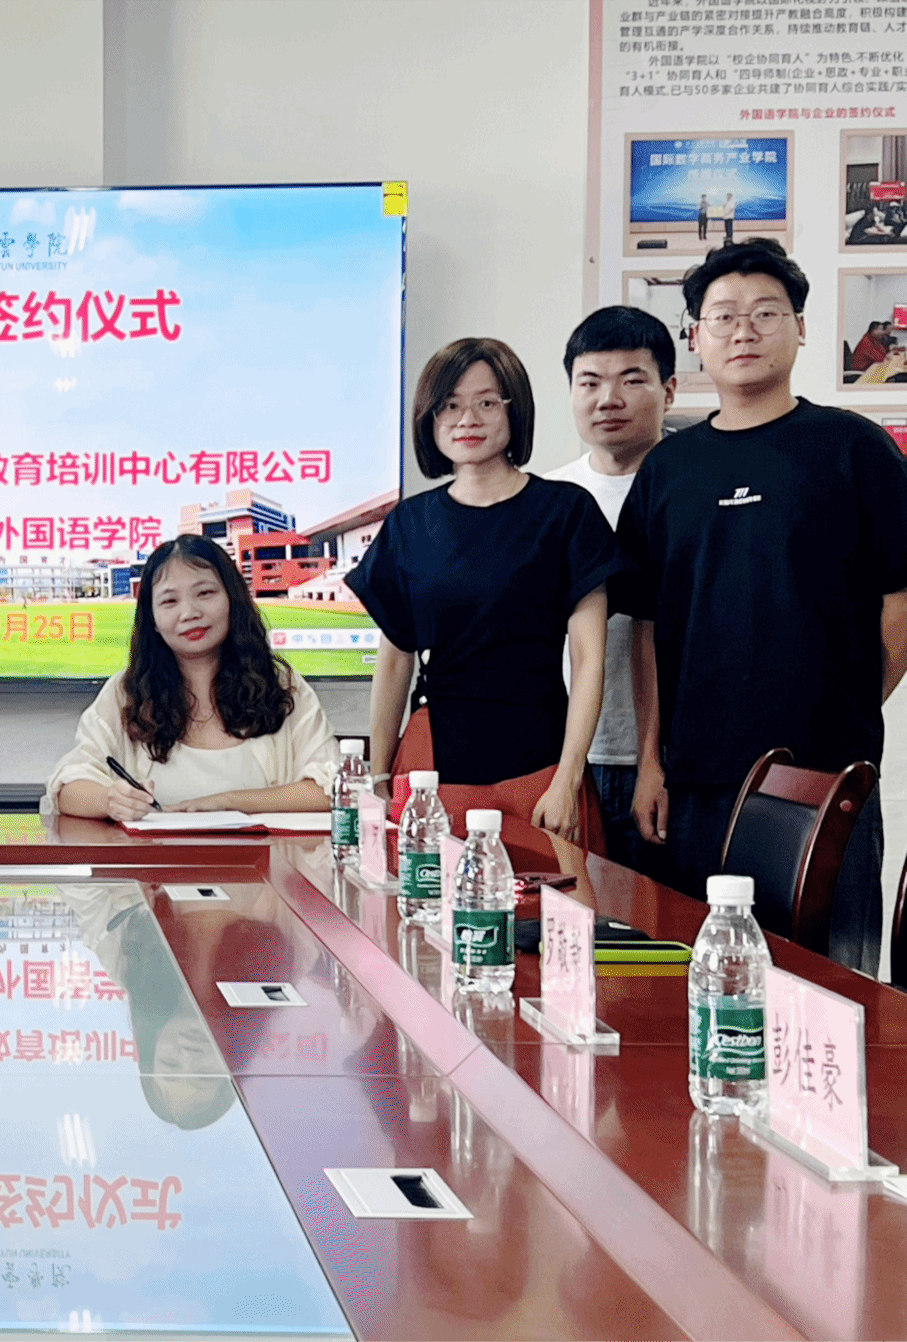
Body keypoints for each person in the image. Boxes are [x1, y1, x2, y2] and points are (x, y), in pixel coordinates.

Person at [616, 239, 907, 973]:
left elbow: (901, 597)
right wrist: (651, 764)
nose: (743, 330)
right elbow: (646, 625)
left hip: (827, 778)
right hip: (694, 781)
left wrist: (845, 702)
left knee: (830, 987)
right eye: (723, 316)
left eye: (765, 313)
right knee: (699, 981)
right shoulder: (669, 469)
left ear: (801, 328)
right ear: (696, 337)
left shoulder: (854, 448)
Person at [347, 337, 624, 843]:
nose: (466, 419)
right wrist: (380, 775)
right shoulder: (410, 524)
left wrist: (568, 778)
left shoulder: (565, 512)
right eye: (449, 405)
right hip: (433, 772)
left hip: (541, 767)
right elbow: (393, 662)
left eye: (486, 403)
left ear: (514, 410)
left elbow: (589, 659)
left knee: (559, 894)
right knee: (423, 891)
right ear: (430, 418)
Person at [48, 534, 337, 820]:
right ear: (152, 619)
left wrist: (228, 802)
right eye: (169, 601)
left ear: (232, 598)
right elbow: (68, 787)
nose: (189, 613)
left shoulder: (280, 685)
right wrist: (109, 800)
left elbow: (331, 789)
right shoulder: (127, 692)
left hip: (267, 853)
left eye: (205, 593)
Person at [545, 306, 677, 875]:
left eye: (631, 380)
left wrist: (657, 761)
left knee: (668, 923)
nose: (608, 399)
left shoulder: (695, 487)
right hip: (564, 760)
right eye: (590, 383)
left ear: (669, 390)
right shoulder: (546, 499)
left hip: (675, 765)